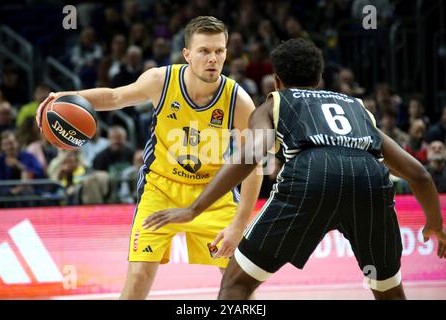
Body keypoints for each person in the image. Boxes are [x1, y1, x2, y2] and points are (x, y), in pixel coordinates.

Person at [143, 38, 446, 300]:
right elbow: (418, 173)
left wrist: (195, 208)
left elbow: (251, 154)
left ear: (276, 81)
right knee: (390, 292)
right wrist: (435, 224)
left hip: (311, 174)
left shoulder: (276, 101)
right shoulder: (356, 107)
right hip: (370, 180)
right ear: (319, 79)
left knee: (237, 283)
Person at [37, 16, 262, 299]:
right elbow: (115, 97)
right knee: (138, 278)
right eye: (204, 51)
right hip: (160, 189)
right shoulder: (161, 80)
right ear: (187, 54)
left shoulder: (238, 100)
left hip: (214, 195)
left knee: (239, 284)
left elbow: (254, 165)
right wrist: (64, 97)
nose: (213, 58)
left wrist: (240, 224)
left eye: (219, 50)